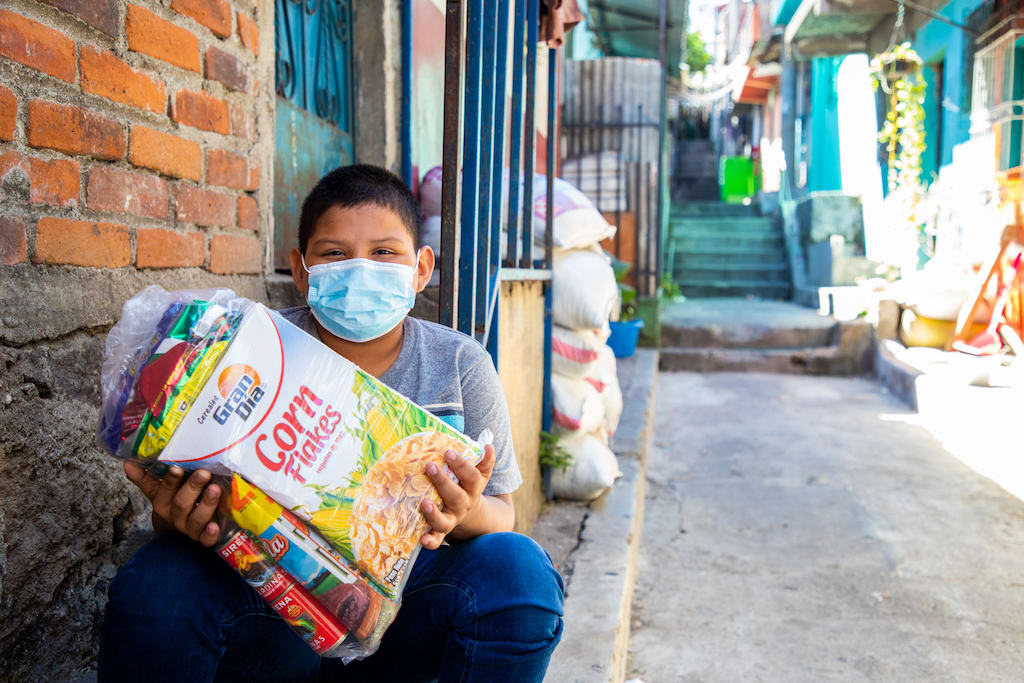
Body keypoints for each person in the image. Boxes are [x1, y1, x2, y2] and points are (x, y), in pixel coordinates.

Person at [98, 165, 565, 682]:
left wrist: (464, 509)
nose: (361, 269)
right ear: (301, 270)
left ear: (421, 268)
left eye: (385, 252)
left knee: (519, 570)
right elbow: (187, 508)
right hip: (273, 613)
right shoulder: (251, 354)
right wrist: (179, 519)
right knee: (157, 582)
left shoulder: (459, 363)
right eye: (335, 253)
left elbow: (502, 516)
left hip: (409, 615)